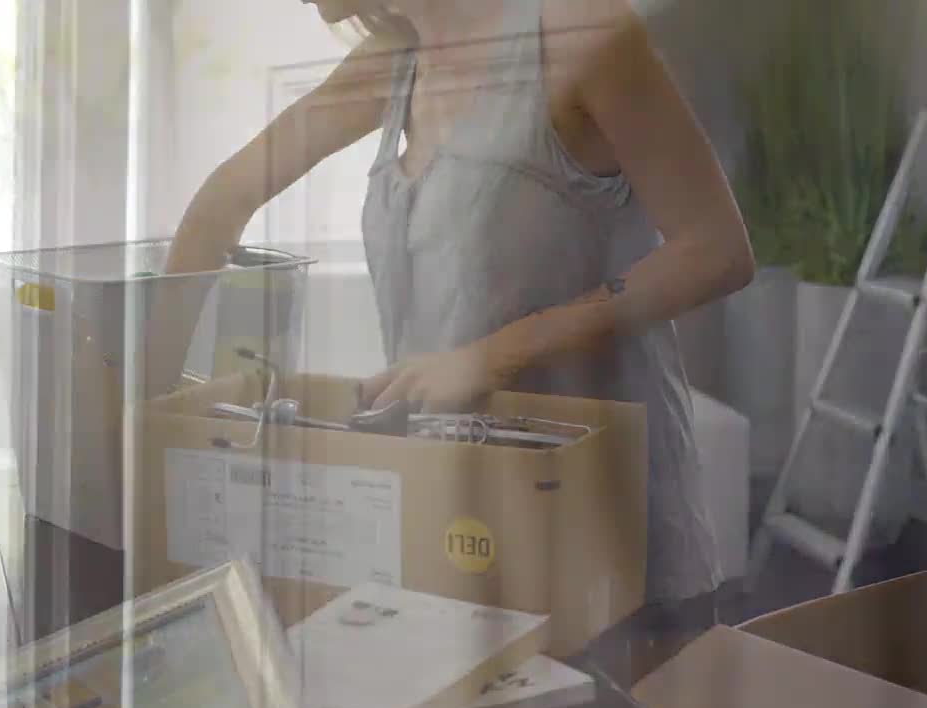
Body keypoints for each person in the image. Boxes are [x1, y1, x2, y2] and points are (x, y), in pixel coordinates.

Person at [162, 0, 755, 613]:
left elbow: (717, 251)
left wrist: (491, 357)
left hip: (603, 527)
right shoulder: (395, 58)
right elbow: (223, 201)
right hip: (455, 527)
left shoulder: (581, 33)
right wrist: (148, 405)